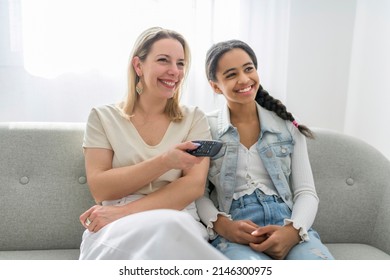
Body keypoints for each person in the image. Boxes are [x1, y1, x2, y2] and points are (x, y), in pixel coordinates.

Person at [78, 27, 227, 260]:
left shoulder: (193, 118)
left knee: (171, 228)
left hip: (174, 215)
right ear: (138, 66)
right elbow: (100, 188)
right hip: (116, 225)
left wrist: (120, 213)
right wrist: (165, 161)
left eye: (180, 63)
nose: (174, 71)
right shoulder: (102, 117)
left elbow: (193, 187)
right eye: (163, 61)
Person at [196, 39, 334, 260]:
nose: (244, 79)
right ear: (215, 85)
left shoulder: (288, 124)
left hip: (286, 223)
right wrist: (223, 226)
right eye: (231, 75)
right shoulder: (204, 127)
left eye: (248, 69)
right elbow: (197, 193)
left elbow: (306, 192)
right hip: (234, 228)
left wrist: (292, 231)